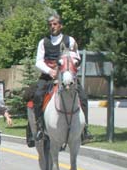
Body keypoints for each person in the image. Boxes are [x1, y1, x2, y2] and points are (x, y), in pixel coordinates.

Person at [31, 14, 92, 147]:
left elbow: (76, 59)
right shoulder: (43, 42)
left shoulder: (70, 40)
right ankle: (39, 128)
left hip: (67, 75)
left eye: (55, 24)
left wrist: (68, 71)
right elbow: (39, 61)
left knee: (83, 97)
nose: (52, 26)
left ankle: (84, 130)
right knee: (37, 96)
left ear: (61, 25)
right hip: (49, 76)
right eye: (50, 24)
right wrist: (50, 71)